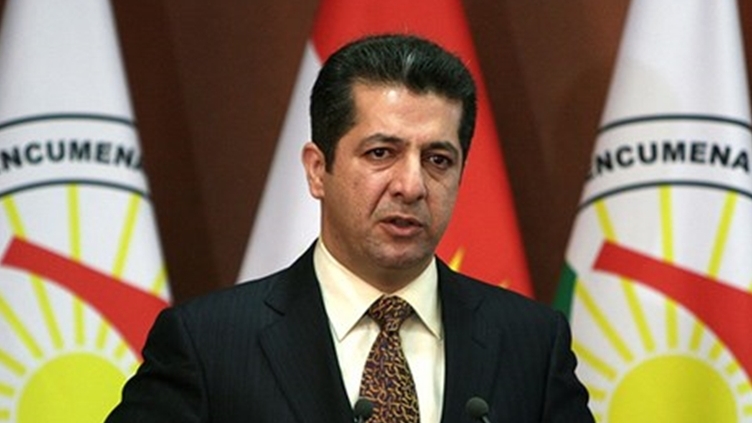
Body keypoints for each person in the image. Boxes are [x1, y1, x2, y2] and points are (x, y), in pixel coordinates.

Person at [106, 34, 594, 423]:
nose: (411, 185)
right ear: (318, 170)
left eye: (438, 160)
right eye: (381, 153)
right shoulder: (210, 344)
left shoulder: (531, 343)